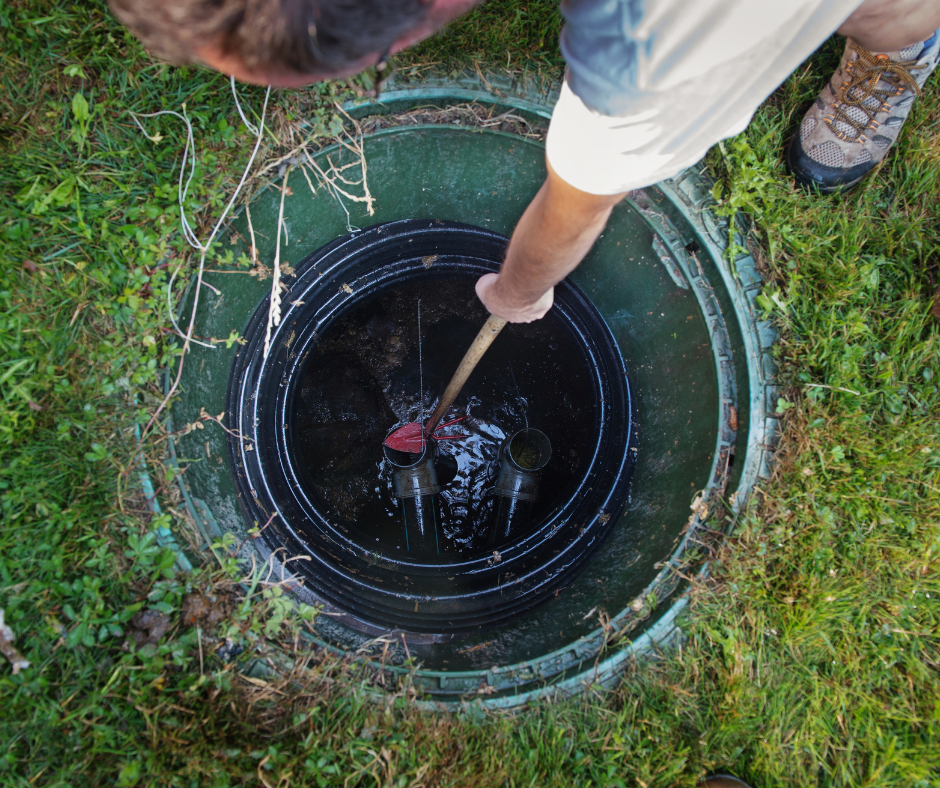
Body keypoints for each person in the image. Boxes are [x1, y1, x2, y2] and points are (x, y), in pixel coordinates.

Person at [110, 0, 940, 324]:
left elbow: (580, 202)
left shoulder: (646, 45)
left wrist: (517, 291)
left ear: (405, 35)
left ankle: (904, 35)